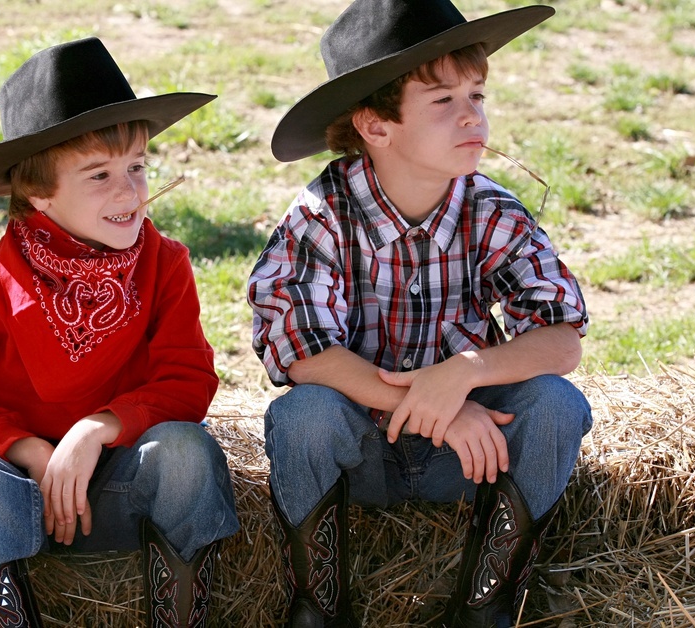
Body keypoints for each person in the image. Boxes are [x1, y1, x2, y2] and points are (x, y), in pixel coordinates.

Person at [247, 0, 592, 626]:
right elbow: (299, 349)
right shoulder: (322, 215)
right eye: (442, 102)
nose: (473, 118)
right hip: (363, 455)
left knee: (558, 405)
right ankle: (318, 603)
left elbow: (562, 338)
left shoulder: (491, 209)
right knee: (304, 416)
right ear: (376, 127)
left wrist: (461, 372)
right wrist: (437, 408)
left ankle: (489, 598)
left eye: (478, 95)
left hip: (471, 457)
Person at [0, 37, 239, 628]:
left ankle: (183, 609)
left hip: (120, 486)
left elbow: (187, 380)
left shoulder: (164, 263)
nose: (129, 191)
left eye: (137, 167)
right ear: (38, 191)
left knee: (188, 451)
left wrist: (97, 428)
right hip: (23, 498)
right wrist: (32, 452)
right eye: (99, 175)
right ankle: (0, 608)